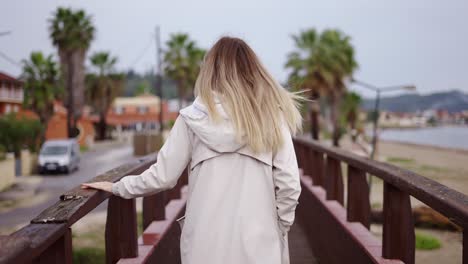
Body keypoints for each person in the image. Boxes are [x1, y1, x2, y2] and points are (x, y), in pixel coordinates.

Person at [82, 36, 303, 264]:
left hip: (204, 246)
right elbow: (289, 185)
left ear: (210, 70)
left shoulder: (191, 119)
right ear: (252, 69)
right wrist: (278, 227)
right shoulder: (273, 118)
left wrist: (118, 186)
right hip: (259, 245)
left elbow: (162, 177)